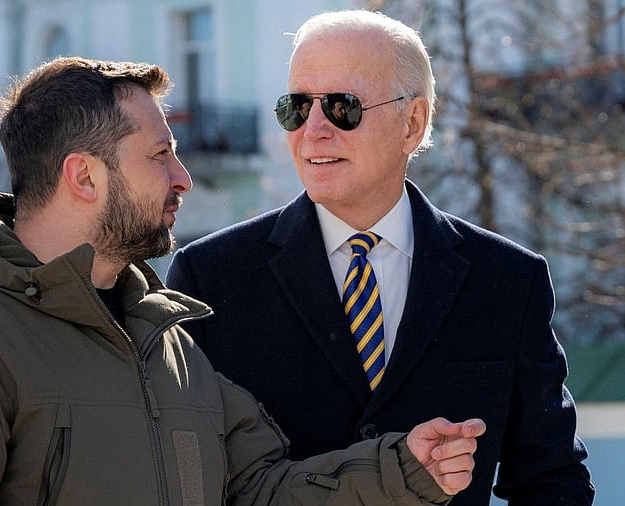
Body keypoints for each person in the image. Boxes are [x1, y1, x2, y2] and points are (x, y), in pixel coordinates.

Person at [0, 56, 486, 505]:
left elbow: (254, 491)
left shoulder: (167, 344)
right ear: (84, 176)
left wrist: (403, 469)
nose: (183, 178)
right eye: (160, 155)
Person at [166, 10, 595, 505]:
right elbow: (193, 480)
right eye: (297, 107)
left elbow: (551, 478)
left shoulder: (507, 280)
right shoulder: (210, 278)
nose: (314, 129)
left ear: (412, 123)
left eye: (342, 107)